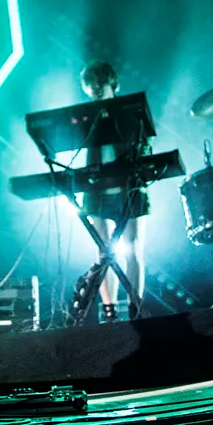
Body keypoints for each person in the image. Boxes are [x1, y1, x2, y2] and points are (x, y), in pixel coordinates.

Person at [78, 60, 146, 321]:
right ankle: (110, 313)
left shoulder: (130, 111)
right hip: (98, 192)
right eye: (90, 85)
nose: (94, 88)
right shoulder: (88, 116)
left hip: (128, 188)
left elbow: (144, 141)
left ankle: (135, 308)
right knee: (103, 253)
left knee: (133, 248)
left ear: (111, 82)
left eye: (99, 82)